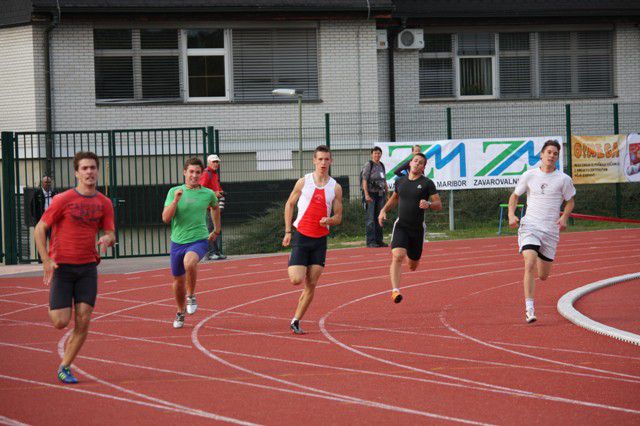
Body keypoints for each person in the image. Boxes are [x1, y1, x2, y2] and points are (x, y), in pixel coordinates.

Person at [34, 151, 116, 384]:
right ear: (76, 173)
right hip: (62, 267)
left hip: (87, 268)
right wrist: (45, 260)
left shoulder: (104, 202)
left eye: (93, 168)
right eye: (85, 168)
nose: (89, 172)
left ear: (97, 171)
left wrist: (108, 239)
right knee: (60, 321)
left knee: (83, 319)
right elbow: (39, 229)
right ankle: (57, 304)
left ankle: (65, 366)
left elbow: (110, 232)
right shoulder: (63, 200)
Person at [508, 139, 576, 323]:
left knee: (543, 276)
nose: (552, 156)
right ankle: (529, 308)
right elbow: (514, 196)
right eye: (549, 152)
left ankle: (538, 251)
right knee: (529, 262)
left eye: (555, 153)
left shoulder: (564, 179)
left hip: (550, 231)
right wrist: (511, 215)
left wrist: (564, 217)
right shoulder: (529, 175)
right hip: (530, 225)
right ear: (541, 155)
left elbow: (570, 201)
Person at [283, 145, 343, 334]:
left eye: (327, 159)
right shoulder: (304, 182)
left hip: (320, 241)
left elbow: (339, 217)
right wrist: (287, 231)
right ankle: (294, 258)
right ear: (314, 160)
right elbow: (289, 204)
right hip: (301, 236)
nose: (323, 163)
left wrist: (330, 220)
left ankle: (296, 320)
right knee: (296, 279)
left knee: (312, 283)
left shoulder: (335, 187)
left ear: (331, 161)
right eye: (320, 159)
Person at [163, 157, 221, 329]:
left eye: (197, 172)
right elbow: (166, 218)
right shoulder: (174, 191)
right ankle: (180, 312)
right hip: (177, 242)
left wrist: (216, 230)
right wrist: (175, 201)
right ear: (184, 173)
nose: (194, 176)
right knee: (177, 282)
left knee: (190, 262)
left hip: (199, 239)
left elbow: (215, 207)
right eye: (191, 172)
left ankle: (191, 295)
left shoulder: (208, 194)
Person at [378, 153, 441, 303]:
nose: (417, 164)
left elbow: (438, 204)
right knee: (397, 256)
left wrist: (429, 205)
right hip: (401, 226)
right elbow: (394, 199)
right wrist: (383, 210)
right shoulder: (400, 181)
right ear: (410, 163)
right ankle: (395, 291)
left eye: (421, 163)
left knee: (412, 265)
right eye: (415, 161)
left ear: (423, 167)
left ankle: (410, 254)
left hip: (417, 229)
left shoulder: (427, 183)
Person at [199, 154, 227, 260]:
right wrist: (215, 193)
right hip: (208, 207)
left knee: (216, 228)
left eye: (217, 162)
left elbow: (216, 187)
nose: (216, 164)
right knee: (210, 228)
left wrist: (220, 191)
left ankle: (216, 251)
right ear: (209, 162)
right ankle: (210, 252)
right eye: (214, 162)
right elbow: (202, 188)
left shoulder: (214, 174)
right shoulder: (207, 173)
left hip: (213, 205)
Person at [362, 146, 388, 248]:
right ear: (372, 154)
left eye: (379, 153)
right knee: (370, 218)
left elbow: (384, 180)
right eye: (375, 153)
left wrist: (387, 193)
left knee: (379, 217)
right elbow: (364, 180)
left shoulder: (381, 165)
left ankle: (379, 240)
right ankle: (371, 241)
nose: (377, 155)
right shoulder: (369, 165)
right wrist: (366, 194)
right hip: (371, 195)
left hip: (381, 194)